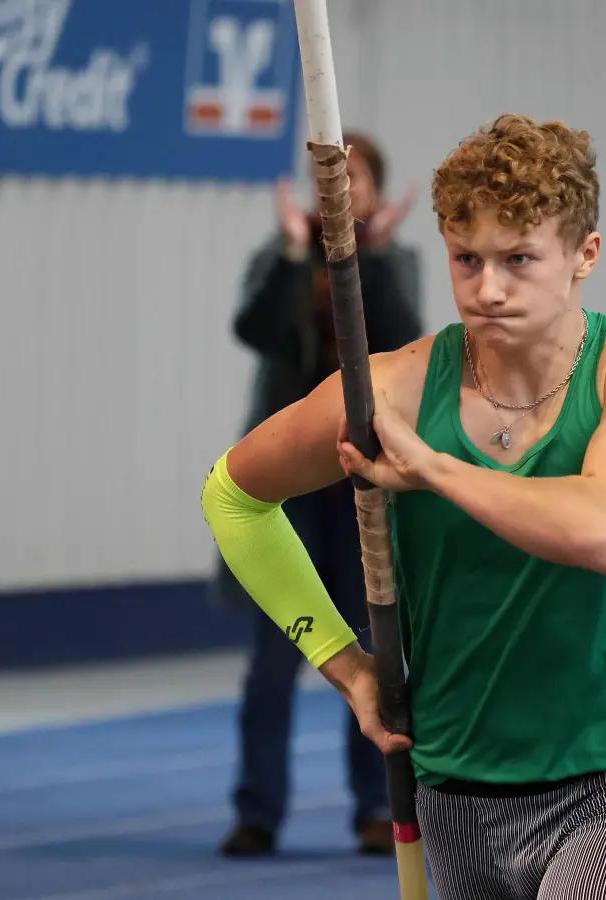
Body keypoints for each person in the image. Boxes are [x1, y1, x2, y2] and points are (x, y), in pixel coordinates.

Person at [202, 113, 606, 899]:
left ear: (584, 256)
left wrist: (435, 470)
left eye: (519, 259)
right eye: (466, 258)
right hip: (453, 788)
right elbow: (233, 497)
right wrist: (346, 667)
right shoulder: (394, 387)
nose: (489, 288)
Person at [216, 130, 423, 858]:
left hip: (363, 489)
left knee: (374, 647)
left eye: (356, 178)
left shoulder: (397, 262)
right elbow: (255, 329)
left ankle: (376, 805)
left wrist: (369, 257)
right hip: (294, 489)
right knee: (276, 656)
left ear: (373, 190)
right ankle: (258, 808)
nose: (341, 190)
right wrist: (299, 254)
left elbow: (402, 339)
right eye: (330, 177)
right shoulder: (282, 254)